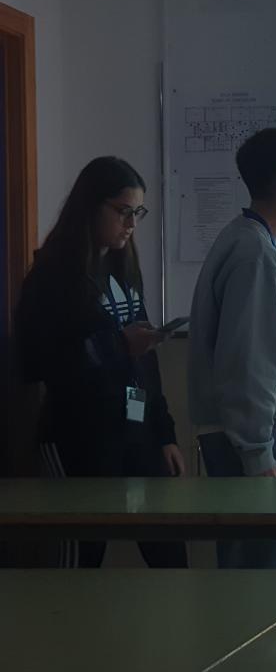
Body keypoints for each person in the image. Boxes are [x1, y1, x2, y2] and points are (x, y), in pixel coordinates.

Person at [14, 156, 187, 568]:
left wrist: (163, 433)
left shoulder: (123, 268)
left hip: (135, 433)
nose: (131, 224)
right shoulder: (52, 276)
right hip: (78, 438)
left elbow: (144, 365)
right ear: (91, 206)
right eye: (123, 211)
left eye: (137, 213)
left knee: (170, 555)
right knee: (80, 559)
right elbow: (36, 363)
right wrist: (117, 347)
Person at [188, 128, 276, 569]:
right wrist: (258, 454)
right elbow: (246, 365)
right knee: (264, 578)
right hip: (250, 437)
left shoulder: (244, 239)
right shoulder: (256, 255)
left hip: (244, 434)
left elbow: (250, 338)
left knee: (275, 565)